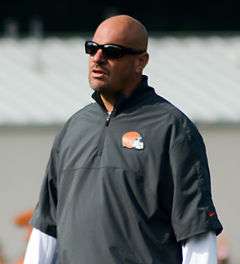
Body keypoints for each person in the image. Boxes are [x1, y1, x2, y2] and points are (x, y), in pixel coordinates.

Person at [24, 15, 223, 264]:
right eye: (92, 48)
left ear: (141, 61)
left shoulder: (173, 129)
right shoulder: (73, 128)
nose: (98, 58)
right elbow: (46, 224)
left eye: (112, 52)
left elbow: (195, 228)